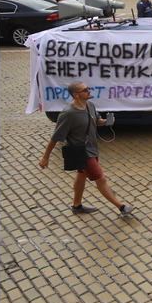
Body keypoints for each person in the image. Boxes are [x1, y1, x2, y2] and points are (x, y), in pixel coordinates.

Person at [39, 81, 135, 216]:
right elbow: (56, 137)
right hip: (81, 152)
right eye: (85, 90)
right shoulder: (68, 114)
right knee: (101, 179)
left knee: (82, 174)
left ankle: (77, 206)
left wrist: (105, 122)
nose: (89, 91)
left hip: (92, 148)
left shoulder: (89, 105)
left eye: (88, 89)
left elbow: (96, 121)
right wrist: (45, 157)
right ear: (76, 95)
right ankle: (121, 207)